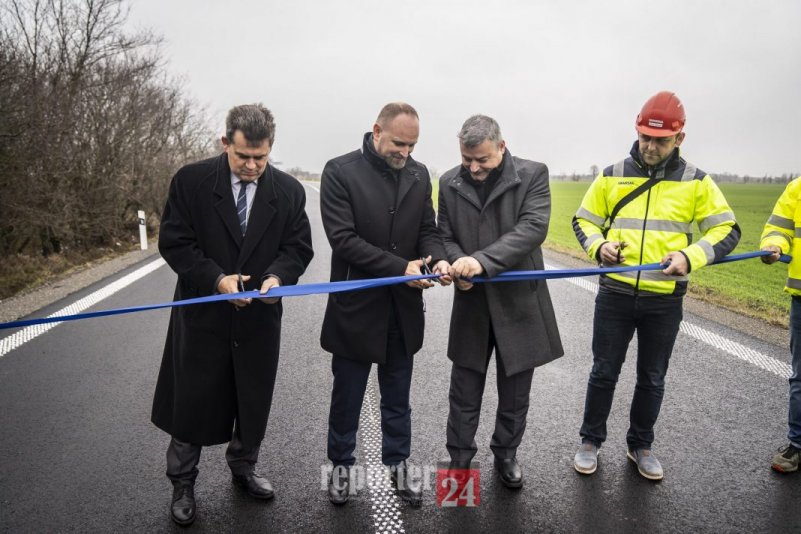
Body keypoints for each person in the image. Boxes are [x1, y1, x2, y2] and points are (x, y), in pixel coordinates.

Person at [152, 104, 314, 525]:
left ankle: (244, 467)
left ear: (270, 148)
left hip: (259, 319)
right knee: (191, 400)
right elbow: (175, 242)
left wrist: (277, 278)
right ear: (226, 143)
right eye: (243, 156)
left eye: (261, 157)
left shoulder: (289, 192)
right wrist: (217, 280)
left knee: (252, 397)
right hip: (202, 316)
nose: (252, 166)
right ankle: (182, 481)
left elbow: (297, 248)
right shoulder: (191, 182)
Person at [571, 91, 741, 481]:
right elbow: (583, 221)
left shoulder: (697, 182)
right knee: (603, 372)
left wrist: (690, 257)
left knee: (652, 377)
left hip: (664, 299)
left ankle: (640, 446)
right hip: (615, 294)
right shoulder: (611, 174)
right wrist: (599, 246)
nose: (650, 146)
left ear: (680, 138)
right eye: (645, 136)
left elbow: (727, 229)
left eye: (660, 140)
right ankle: (590, 442)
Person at [320, 102, 450, 506]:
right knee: (347, 397)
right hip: (356, 308)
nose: (405, 153)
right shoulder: (339, 171)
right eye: (398, 144)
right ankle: (341, 467)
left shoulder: (419, 174)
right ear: (377, 131)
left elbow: (427, 230)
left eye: (412, 146)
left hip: (402, 309)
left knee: (397, 397)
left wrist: (437, 259)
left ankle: (398, 464)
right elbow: (343, 239)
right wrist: (400, 267)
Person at [437, 115, 564, 488]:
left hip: (519, 304)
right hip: (471, 302)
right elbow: (444, 234)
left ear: (502, 147)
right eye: (467, 159)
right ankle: (459, 461)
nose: (474, 168)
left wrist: (480, 262)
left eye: (482, 159)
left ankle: (506, 454)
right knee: (464, 390)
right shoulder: (448, 181)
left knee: (515, 392)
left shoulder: (533, 174)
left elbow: (532, 229)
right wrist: (457, 263)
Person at [761, 177, 801, 473]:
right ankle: (797, 445)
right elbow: (779, 227)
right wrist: (773, 244)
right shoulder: (797, 188)